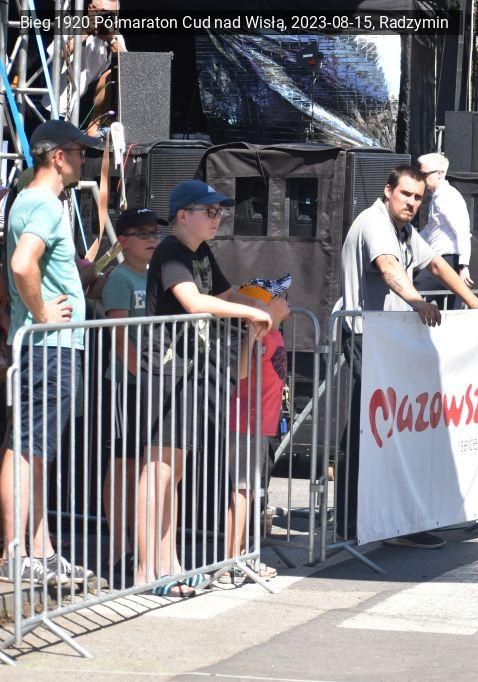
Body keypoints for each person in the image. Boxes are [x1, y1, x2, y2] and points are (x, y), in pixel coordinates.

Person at [339, 164, 478, 549]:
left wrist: (474, 302)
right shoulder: (375, 223)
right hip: (367, 337)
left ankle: (383, 520)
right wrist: (417, 301)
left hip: (389, 339)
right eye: (405, 194)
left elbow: (438, 265)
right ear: (388, 190)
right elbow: (388, 267)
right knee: (375, 431)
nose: (411, 203)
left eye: (418, 198)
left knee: (390, 431)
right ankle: (362, 522)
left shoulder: (405, 230)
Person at [138, 180, 272, 596]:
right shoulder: (171, 251)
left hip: (189, 369)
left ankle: (169, 563)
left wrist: (260, 305)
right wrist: (251, 314)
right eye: (209, 212)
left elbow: (225, 293)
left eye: (219, 212)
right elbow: (195, 301)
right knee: (158, 470)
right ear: (183, 215)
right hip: (164, 370)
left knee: (174, 473)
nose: (218, 218)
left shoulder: (201, 253)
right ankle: (147, 569)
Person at [0, 120, 104, 585]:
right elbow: (22, 264)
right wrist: (42, 312)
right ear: (59, 157)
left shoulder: (34, 202)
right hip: (48, 347)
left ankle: (39, 551)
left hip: (47, 347)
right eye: (80, 153)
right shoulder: (43, 203)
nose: (85, 161)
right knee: (26, 447)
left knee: (35, 449)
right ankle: (17, 553)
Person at [98, 207, 164, 587]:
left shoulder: (155, 275)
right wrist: (145, 375)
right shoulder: (120, 278)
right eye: (143, 233)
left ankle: (140, 542)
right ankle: (118, 544)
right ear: (123, 241)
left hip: (151, 382)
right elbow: (120, 338)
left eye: (154, 232)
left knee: (143, 465)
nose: (151, 239)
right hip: (127, 384)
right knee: (122, 463)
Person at [220, 275, 292, 585]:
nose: (285, 301)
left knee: (248, 492)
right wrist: (252, 332)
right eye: (278, 297)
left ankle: (240, 555)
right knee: (242, 491)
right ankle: (231, 561)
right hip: (246, 424)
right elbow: (240, 372)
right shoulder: (258, 335)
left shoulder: (273, 333)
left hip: (261, 425)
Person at [54, 0, 127, 136]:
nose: (107, 17)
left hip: (88, 104)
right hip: (59, 105)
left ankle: (94, 126)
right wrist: (85, 32)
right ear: (90, 8)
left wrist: (110, 40)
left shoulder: (114, 35)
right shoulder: (72, 25)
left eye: (112, 14)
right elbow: (58, 55)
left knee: (111, 74)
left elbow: (129, 68)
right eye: (103, 12)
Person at [413, 152, 473, 308]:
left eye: (424, 175)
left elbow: (462, 231)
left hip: (448, 259)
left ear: (440, 173)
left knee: (414, 294)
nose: (422, 179)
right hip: (441, 258)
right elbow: (430, 230)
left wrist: (463, 265)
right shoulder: (438, 197)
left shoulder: (448, 196)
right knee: (447, 310)